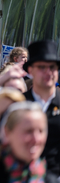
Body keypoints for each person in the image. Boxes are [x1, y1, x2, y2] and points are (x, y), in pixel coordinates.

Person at [0, 102, 50, 183]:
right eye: (28, 131)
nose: (36, 139)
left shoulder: (49, 179)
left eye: (41, 131)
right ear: (7, 132)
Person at [23, 40, 60, 177]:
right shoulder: (19, 103)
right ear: (30, 70)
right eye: (42, 67)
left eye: (52, 67)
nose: (48, 72)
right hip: (23, 175)